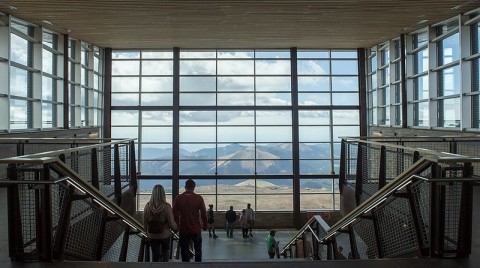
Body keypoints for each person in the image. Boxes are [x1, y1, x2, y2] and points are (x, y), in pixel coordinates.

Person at [172, 179, 208, 262]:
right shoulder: (199, 198)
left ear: (185, 187)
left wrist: (176, 226)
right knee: (198, 249)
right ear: (194, 187)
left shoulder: (178, 198)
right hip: (196, 228)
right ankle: (198, 265)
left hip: (183, 229)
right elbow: (203, 214)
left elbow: (175, 214)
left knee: (184, 250)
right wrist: (205, 225)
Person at [143, 184, 178, 262]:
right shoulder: (167, 207)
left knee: (155, 254)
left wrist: (147, 234)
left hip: (152, 235)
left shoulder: (147, 206)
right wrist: (176, 229)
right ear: (163, 194)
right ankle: (165, 265)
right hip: (164, 235)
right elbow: (171, 223)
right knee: (166, 251)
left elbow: (145, 223)